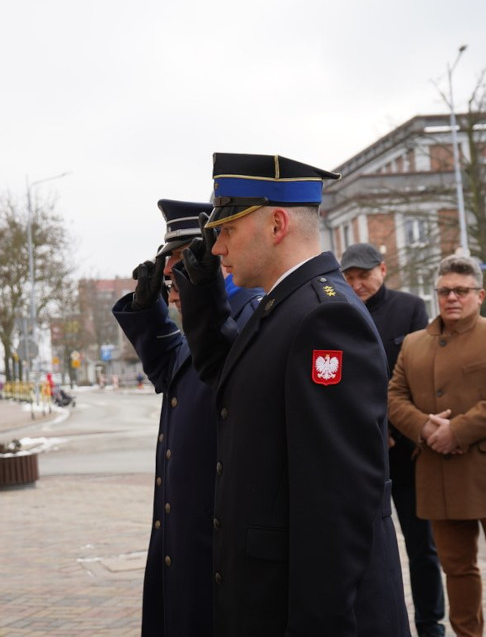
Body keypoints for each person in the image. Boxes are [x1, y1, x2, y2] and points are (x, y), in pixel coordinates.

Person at [173, 153, 409, 635]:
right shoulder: (285, 305)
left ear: (277, 224)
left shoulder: (324, 317)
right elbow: (231, 378)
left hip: (309, 612)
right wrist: (200, 292)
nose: (218, 247)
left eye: (227, 230)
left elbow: (338, 500)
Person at [112, 199, 262, 637]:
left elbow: (223, 374)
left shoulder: (250, 314)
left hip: (216, 529)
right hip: (183, 528)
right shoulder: (204, 322)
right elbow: (172, 368)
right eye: (168, 273)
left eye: (180, 269)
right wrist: (147, 312)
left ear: (213, 259)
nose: (171, 285)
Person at [388, 254, 486, 637]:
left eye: (461, 291)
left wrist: (457, 431)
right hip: (439, 471)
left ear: (479, 295)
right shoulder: (414, 344)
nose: (452, 297)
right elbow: (394, 397)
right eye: (444, 291)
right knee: (456, 567)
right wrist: (424, 427)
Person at [341, 243, 445, 637]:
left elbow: (418, 375)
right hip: (361, 451)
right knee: (366, 548)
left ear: (382, 270)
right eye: (350, 277)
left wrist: (394, 424)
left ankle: (430, 624)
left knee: (422, 547)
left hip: (407, 450)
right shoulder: (338, 310)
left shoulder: (410, 308)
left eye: (364, 275)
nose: (357, 284)